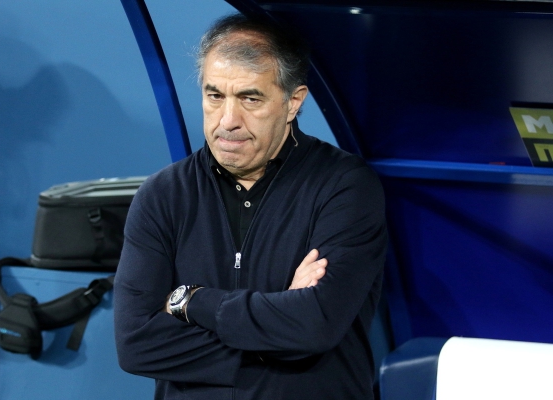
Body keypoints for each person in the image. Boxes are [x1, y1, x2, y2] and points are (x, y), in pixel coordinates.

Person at [114, 13, 387, 400]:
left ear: (293, 101)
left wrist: (191, 300)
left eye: (250, 99)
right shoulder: (163, 194)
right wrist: (278, 337)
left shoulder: (345, 187)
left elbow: (314, 327)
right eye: (215, 96)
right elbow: (136, 344)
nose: (228, 121)